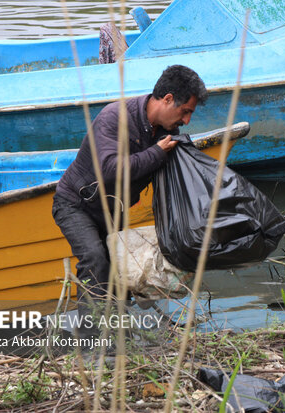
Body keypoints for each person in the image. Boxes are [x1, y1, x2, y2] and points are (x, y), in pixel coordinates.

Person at [52, 65, 208, 321]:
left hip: (114, 210)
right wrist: (156, 153)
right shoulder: (115, 117)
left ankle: (119, 335)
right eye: (185, 111)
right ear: (168, 99)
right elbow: (111, 169)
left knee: (119, 273)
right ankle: (91, 342)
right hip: (76, 205)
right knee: (95, 259)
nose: (187, 120)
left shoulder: (169, 133)